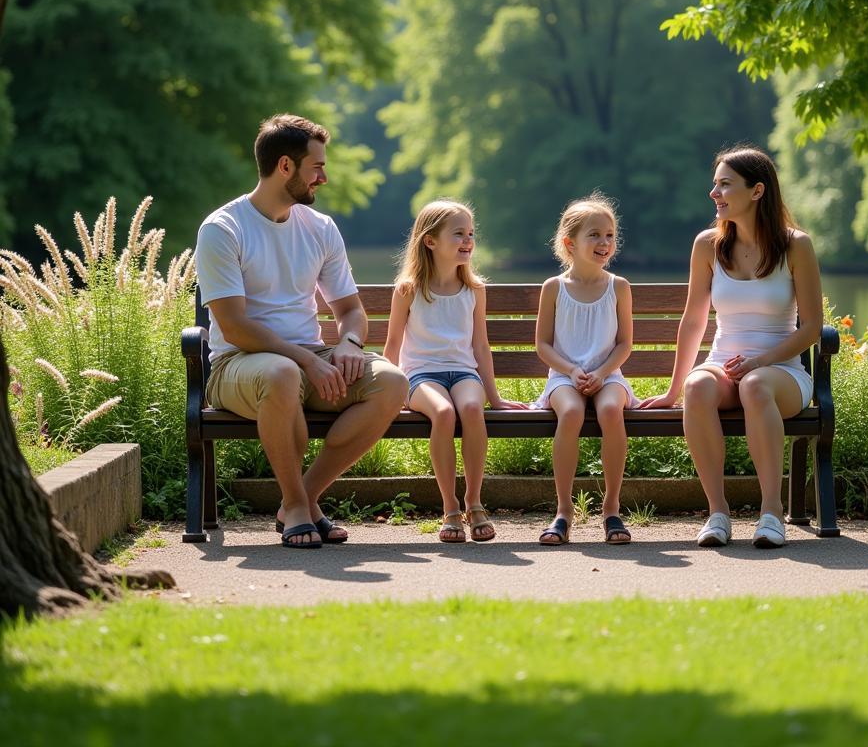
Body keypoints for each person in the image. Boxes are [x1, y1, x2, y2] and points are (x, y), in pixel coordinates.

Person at [195, 114, 408, 549]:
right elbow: (233, 326)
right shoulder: (223, 229)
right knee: (282, 373)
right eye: (317, 167)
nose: (324, 178)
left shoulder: (320, 228)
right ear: (286, 167)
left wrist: (348, 342)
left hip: (307, 359)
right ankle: (294, 505)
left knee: (392, 382)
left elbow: (350, 309)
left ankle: (306, 497)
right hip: (238, 365)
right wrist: (306, 359)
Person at [641, 145, 822, 548]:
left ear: (757, 191)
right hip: (725, 364)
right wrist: (674, 390)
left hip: (782, 372)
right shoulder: (708, 245)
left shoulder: (796, 246)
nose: (714, 193)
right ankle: (718, 513)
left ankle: (771, 513)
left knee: (756, 385)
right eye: (714, 184)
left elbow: (812, 327)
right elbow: (693, 321)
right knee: (697, 388)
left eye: (725, 184)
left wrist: (760, 360)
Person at [383, 200, 526, 543]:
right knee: (444, 413)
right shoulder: (408, 289)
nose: (468, 241)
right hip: (420, 376)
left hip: (463, 373)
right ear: (430, 241)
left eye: (471, 234)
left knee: (472, 409)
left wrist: (497, 398)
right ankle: (449, 509)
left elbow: (480, 347)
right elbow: (392, 345)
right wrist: (391, 394)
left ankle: (474, 502)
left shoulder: (474, 289)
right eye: (458, 234)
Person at [533, 194, 636, 546]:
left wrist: (604, 372)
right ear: (569, 243)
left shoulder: (618, 287)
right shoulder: (554, 288)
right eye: (594, 235)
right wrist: (573, 371)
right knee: (572, 412)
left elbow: (624, 344)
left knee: (610, 410)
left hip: (609, 375)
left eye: (609, 235)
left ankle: (611, 508)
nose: (604, 242)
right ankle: (563, 511)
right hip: (565, 376)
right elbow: (543, 345)